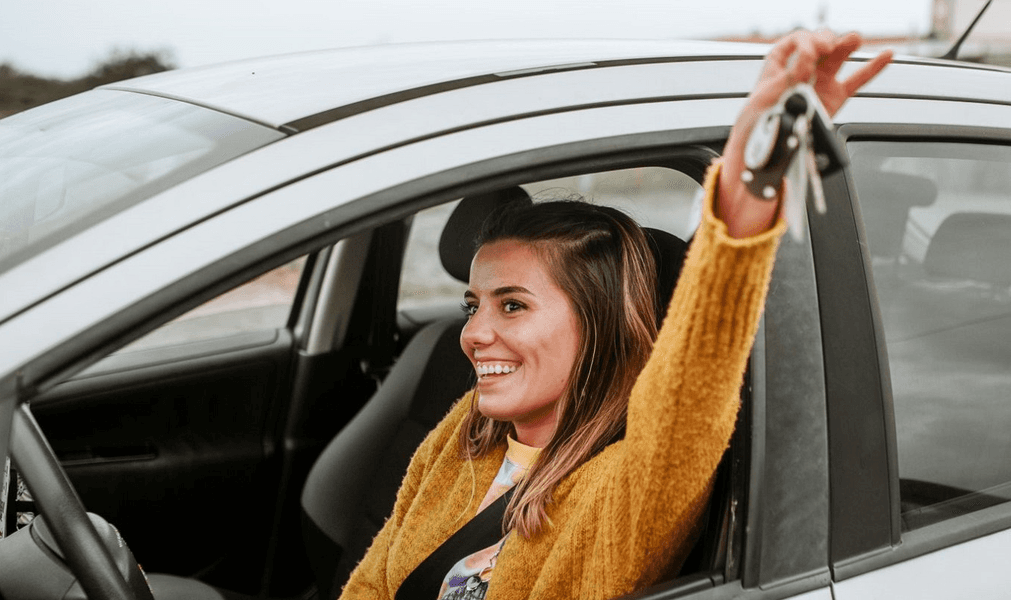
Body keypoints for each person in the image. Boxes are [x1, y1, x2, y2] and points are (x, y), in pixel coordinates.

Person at [340, 30, 893, 600]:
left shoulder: (624, 491)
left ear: (599, 324)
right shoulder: (466, 434)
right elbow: (370, 585)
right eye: (472, 306)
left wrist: (744, 190)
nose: (474, 335)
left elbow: (688, 402)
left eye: (513, 305)